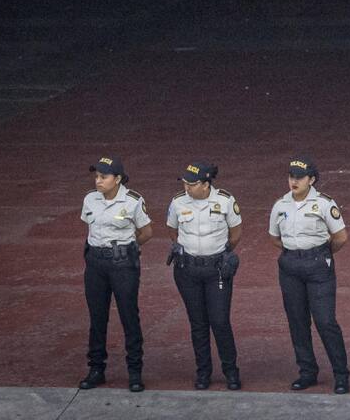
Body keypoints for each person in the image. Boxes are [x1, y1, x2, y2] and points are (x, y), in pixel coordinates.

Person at [269, 157, 350, 394]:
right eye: (291, 176)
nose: (293, 181)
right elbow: (274, 237)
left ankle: (341, 374)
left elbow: (341, 237)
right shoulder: (280, 205)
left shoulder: (324, 204)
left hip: (317, 265)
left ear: (312, 180)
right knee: (297, 321)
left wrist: (320, 254)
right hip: (290, 265)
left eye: (299, 178)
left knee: (325, 321)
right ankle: (307, 371)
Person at [79, 157, 152, 393]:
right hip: (95, 263)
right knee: (97, 317)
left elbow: (146, 232)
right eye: (97, 176)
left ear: (118, 179)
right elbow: (89, 227)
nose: (98, 181)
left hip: (122, 263)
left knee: (129, 315)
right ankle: (96, 369)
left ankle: (134, 371)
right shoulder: (90, 199)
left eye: (103, 177)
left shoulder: (132, 201)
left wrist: (125, 248)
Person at [167, 163, 243, 391]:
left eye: (191, 183)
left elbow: (236, 233)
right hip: (188, 270)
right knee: (198, 323)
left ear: (206, 184)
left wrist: (218, 252)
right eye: (185, 183)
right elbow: (173, 230)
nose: (186, 187)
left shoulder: (226, 201)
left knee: (219, 322)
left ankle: (231, 371)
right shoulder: (178, 202)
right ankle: (203, 372)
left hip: (216, 269)